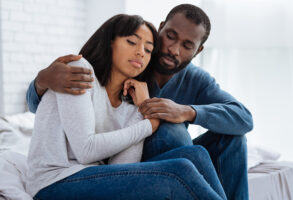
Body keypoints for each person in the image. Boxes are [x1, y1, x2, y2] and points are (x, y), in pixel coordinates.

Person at [26, 4, 253, 200]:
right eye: (132, 42)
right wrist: (41, 81)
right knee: (179, 160)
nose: (141, 54)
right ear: (162, 27)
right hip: (56, 179)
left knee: (199, 155)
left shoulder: (133, 96)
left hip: (104, 170)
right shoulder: (84, 71)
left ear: (198, 51)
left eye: (147, 48)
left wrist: (179, 112)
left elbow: (122, 169)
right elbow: (55, 115)